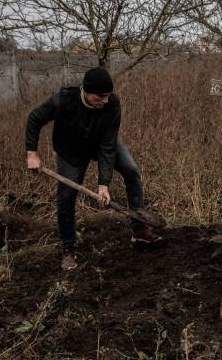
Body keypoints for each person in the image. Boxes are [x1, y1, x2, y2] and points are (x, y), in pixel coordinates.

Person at [25, 67, 162, 271]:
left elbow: (108, 146)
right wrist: (32, 153)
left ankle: (140, 230)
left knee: (132, 170)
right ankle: (68, 249)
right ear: (86, 91)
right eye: (100, 96)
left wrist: (103, 185)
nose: (105, 100)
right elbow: (35, 117)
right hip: (71, 150)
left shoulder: (112, 104)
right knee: (66, 196)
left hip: (100, 143)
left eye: (107, 95)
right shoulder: (64, 100)